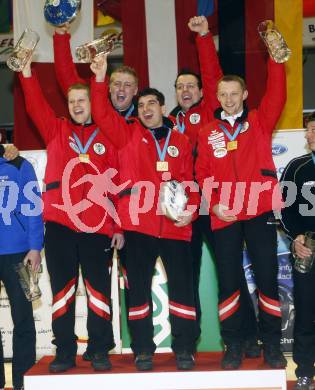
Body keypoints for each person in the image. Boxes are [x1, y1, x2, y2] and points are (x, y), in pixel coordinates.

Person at [90, 54, 200, 371]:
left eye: (152, 104)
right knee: (137, 291)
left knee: (182, 290)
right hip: (137, 226)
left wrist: (190, 212)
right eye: (142, 106)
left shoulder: (181, 140)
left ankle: (184, 349)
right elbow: (101, 111)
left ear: (163, 108)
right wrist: (99, 79)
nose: (147, 109)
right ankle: (142, 349)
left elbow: (191, 182)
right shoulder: (126, 136)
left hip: (175, 226)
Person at [18, 57, 124, 373]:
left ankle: (99, 349)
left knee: (98, 291)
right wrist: (26, 73)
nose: (77, 105)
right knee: (63, 290)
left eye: (83, 100)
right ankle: (64, 351)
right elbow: (35, 104)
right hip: (62, 225)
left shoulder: (109, 134)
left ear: (94, 102)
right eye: (72, 101)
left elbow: (119, 185)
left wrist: (118, 224)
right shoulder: (56, 130)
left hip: (98, 226)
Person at [170, 16, 260, 356]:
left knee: (230, 271)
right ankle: (189, 344)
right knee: (187, 275)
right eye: (180, 86)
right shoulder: (167, 121)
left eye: (191, 85)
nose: (186, 90)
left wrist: (204, 38)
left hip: (213, 203)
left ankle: (247, 337)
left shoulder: (209, 112)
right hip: (182, 207)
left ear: (204, 91)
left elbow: (212, 73)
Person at [195, 39, 287, 369]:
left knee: (266, 279)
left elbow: (277, 94)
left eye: (235, 94)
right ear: (217, 98)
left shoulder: (260, 122)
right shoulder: (207, 132)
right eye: (224, 95)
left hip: (259, 211)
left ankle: (272, 345)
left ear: (244, 95)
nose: (230, 99)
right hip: (224, 216)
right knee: (229, 284)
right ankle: (232, 345)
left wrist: (276, 62)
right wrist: (215, 204)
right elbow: (201, 172)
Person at [0, 133, 43, 390]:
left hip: (18, 253)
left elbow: (34, 207)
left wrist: (35, 247)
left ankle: (23, 382)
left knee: (23, 319)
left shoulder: (19, 164)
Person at [280, 112, 315, 390]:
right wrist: (296, 238)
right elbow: (283, 208)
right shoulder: (296, 167)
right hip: (308, 248)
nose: (307, 135)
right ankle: (304, 370)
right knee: (305, 311)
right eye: (307, 130)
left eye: (313, 130)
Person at [53, 23, 138, 119]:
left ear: (135, 90)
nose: (121, 88)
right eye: (117, 84)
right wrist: (60, 36)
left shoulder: (143, 116)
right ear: (109, 87)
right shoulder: (93, 104)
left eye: (127, 85)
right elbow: (66, 74)